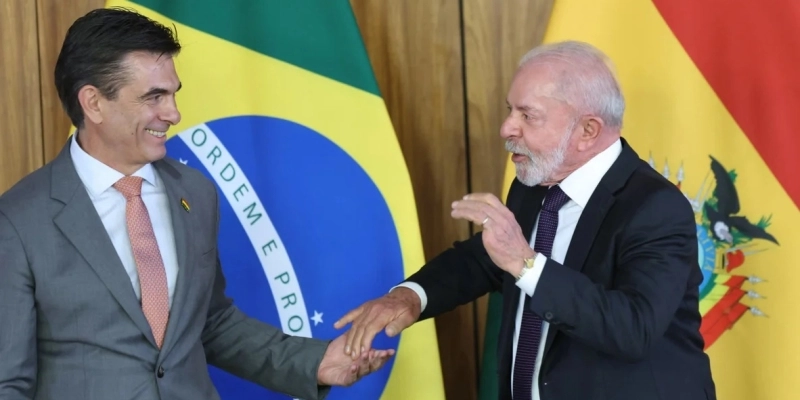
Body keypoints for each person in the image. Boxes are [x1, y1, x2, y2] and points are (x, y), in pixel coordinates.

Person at [0, 7, 392, 400]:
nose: (173, 114)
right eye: (154, 97)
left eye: (172, 94)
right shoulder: (18, 221)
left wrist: (315, 362)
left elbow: (211, 323)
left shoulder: (194, 191)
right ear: (94, 103)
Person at [335, 40, 716, 400]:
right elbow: (488, 257)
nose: (506, 128)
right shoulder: (535, 182)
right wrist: (410, 297)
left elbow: (634, 328)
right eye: (509, 109)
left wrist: (526, 263)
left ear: (588, 131)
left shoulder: (655, 208)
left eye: (527, 116)